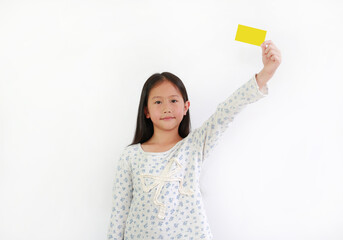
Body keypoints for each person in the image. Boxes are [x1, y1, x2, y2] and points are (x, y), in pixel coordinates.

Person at [107, 40, 281, 239]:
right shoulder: (130, 156)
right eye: (158, 102)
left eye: (173, 100)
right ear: (146, 110)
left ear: (185, 106)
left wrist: (265, 74)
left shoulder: (195, 145)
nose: (166, 108)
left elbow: (227, 111)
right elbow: (119, 214)